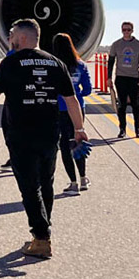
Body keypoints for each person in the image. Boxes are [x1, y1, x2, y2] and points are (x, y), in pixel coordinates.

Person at [0, 19, 87, 259]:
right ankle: (42, 232)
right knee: (46, 182)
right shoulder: (55, 62)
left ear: (24, 37)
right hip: (50, 131)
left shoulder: (11, 62)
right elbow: (71, 99)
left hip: (21, 133)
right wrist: (79, 128)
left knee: (29, 186)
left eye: (12, 36)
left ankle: (41, 237)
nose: (10, 39)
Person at [51, 33, 93, 193]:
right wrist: (77, 95)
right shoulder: (80, 65)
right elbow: (88, 89)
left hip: (60, 108)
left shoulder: (55, 66)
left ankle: (73, 182)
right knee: (78, 141)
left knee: (64, 145)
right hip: (78, 108)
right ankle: (83, 178)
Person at [107, 21, 139, 138]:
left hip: (134, 78)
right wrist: (109, 77)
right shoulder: (116, 44)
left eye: (128, 30)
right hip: (121, 77)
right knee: (122, 105)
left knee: (136, 105)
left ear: (132, 30)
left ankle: (138, 129)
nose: (126, 32)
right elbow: (111, 62)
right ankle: (122, 129)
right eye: (124, 30)